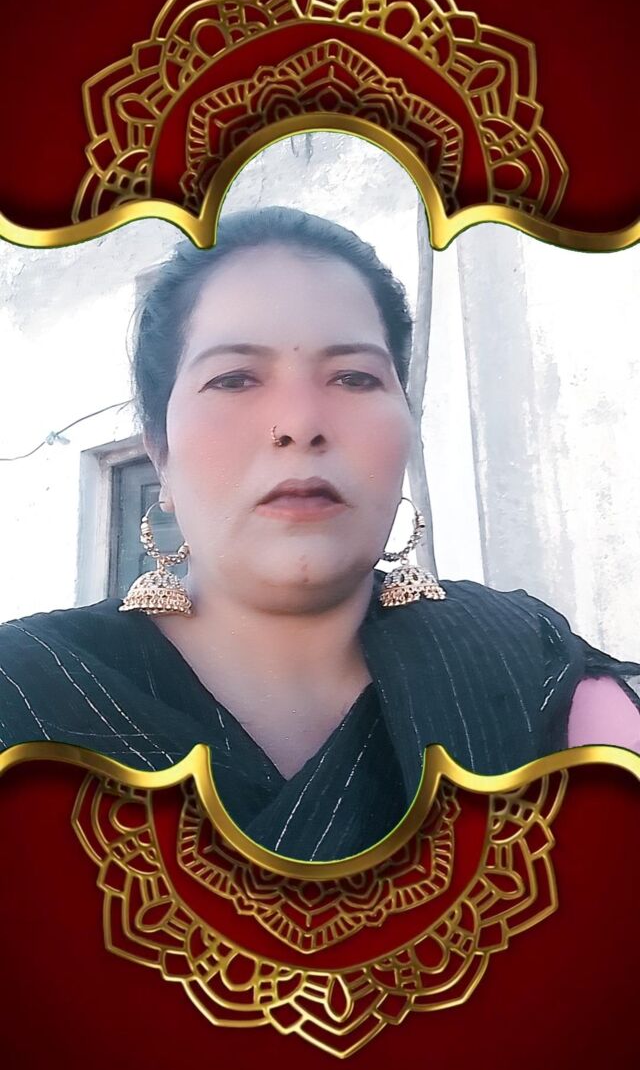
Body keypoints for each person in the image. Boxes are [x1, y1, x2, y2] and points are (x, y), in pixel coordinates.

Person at [0, 207, 639, 861]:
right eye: (234, 379)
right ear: (159, 453)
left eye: (354, 378)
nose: (300, 423)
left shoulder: (533, 670)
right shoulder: (25, 693)